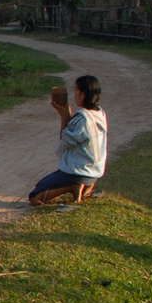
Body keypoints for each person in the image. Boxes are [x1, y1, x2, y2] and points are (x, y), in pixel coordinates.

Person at [28, 74, 108, 206]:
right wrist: (68, 117)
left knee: (35, 196)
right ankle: (86, 187)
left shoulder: (82, 119)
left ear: (83, 95)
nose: (74, 95)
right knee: (41, 183)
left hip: (77, 173)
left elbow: (65, 142)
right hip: (93, 172)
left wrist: (64, 117)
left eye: (76, 91)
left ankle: (73, 186)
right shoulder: (100, 114)